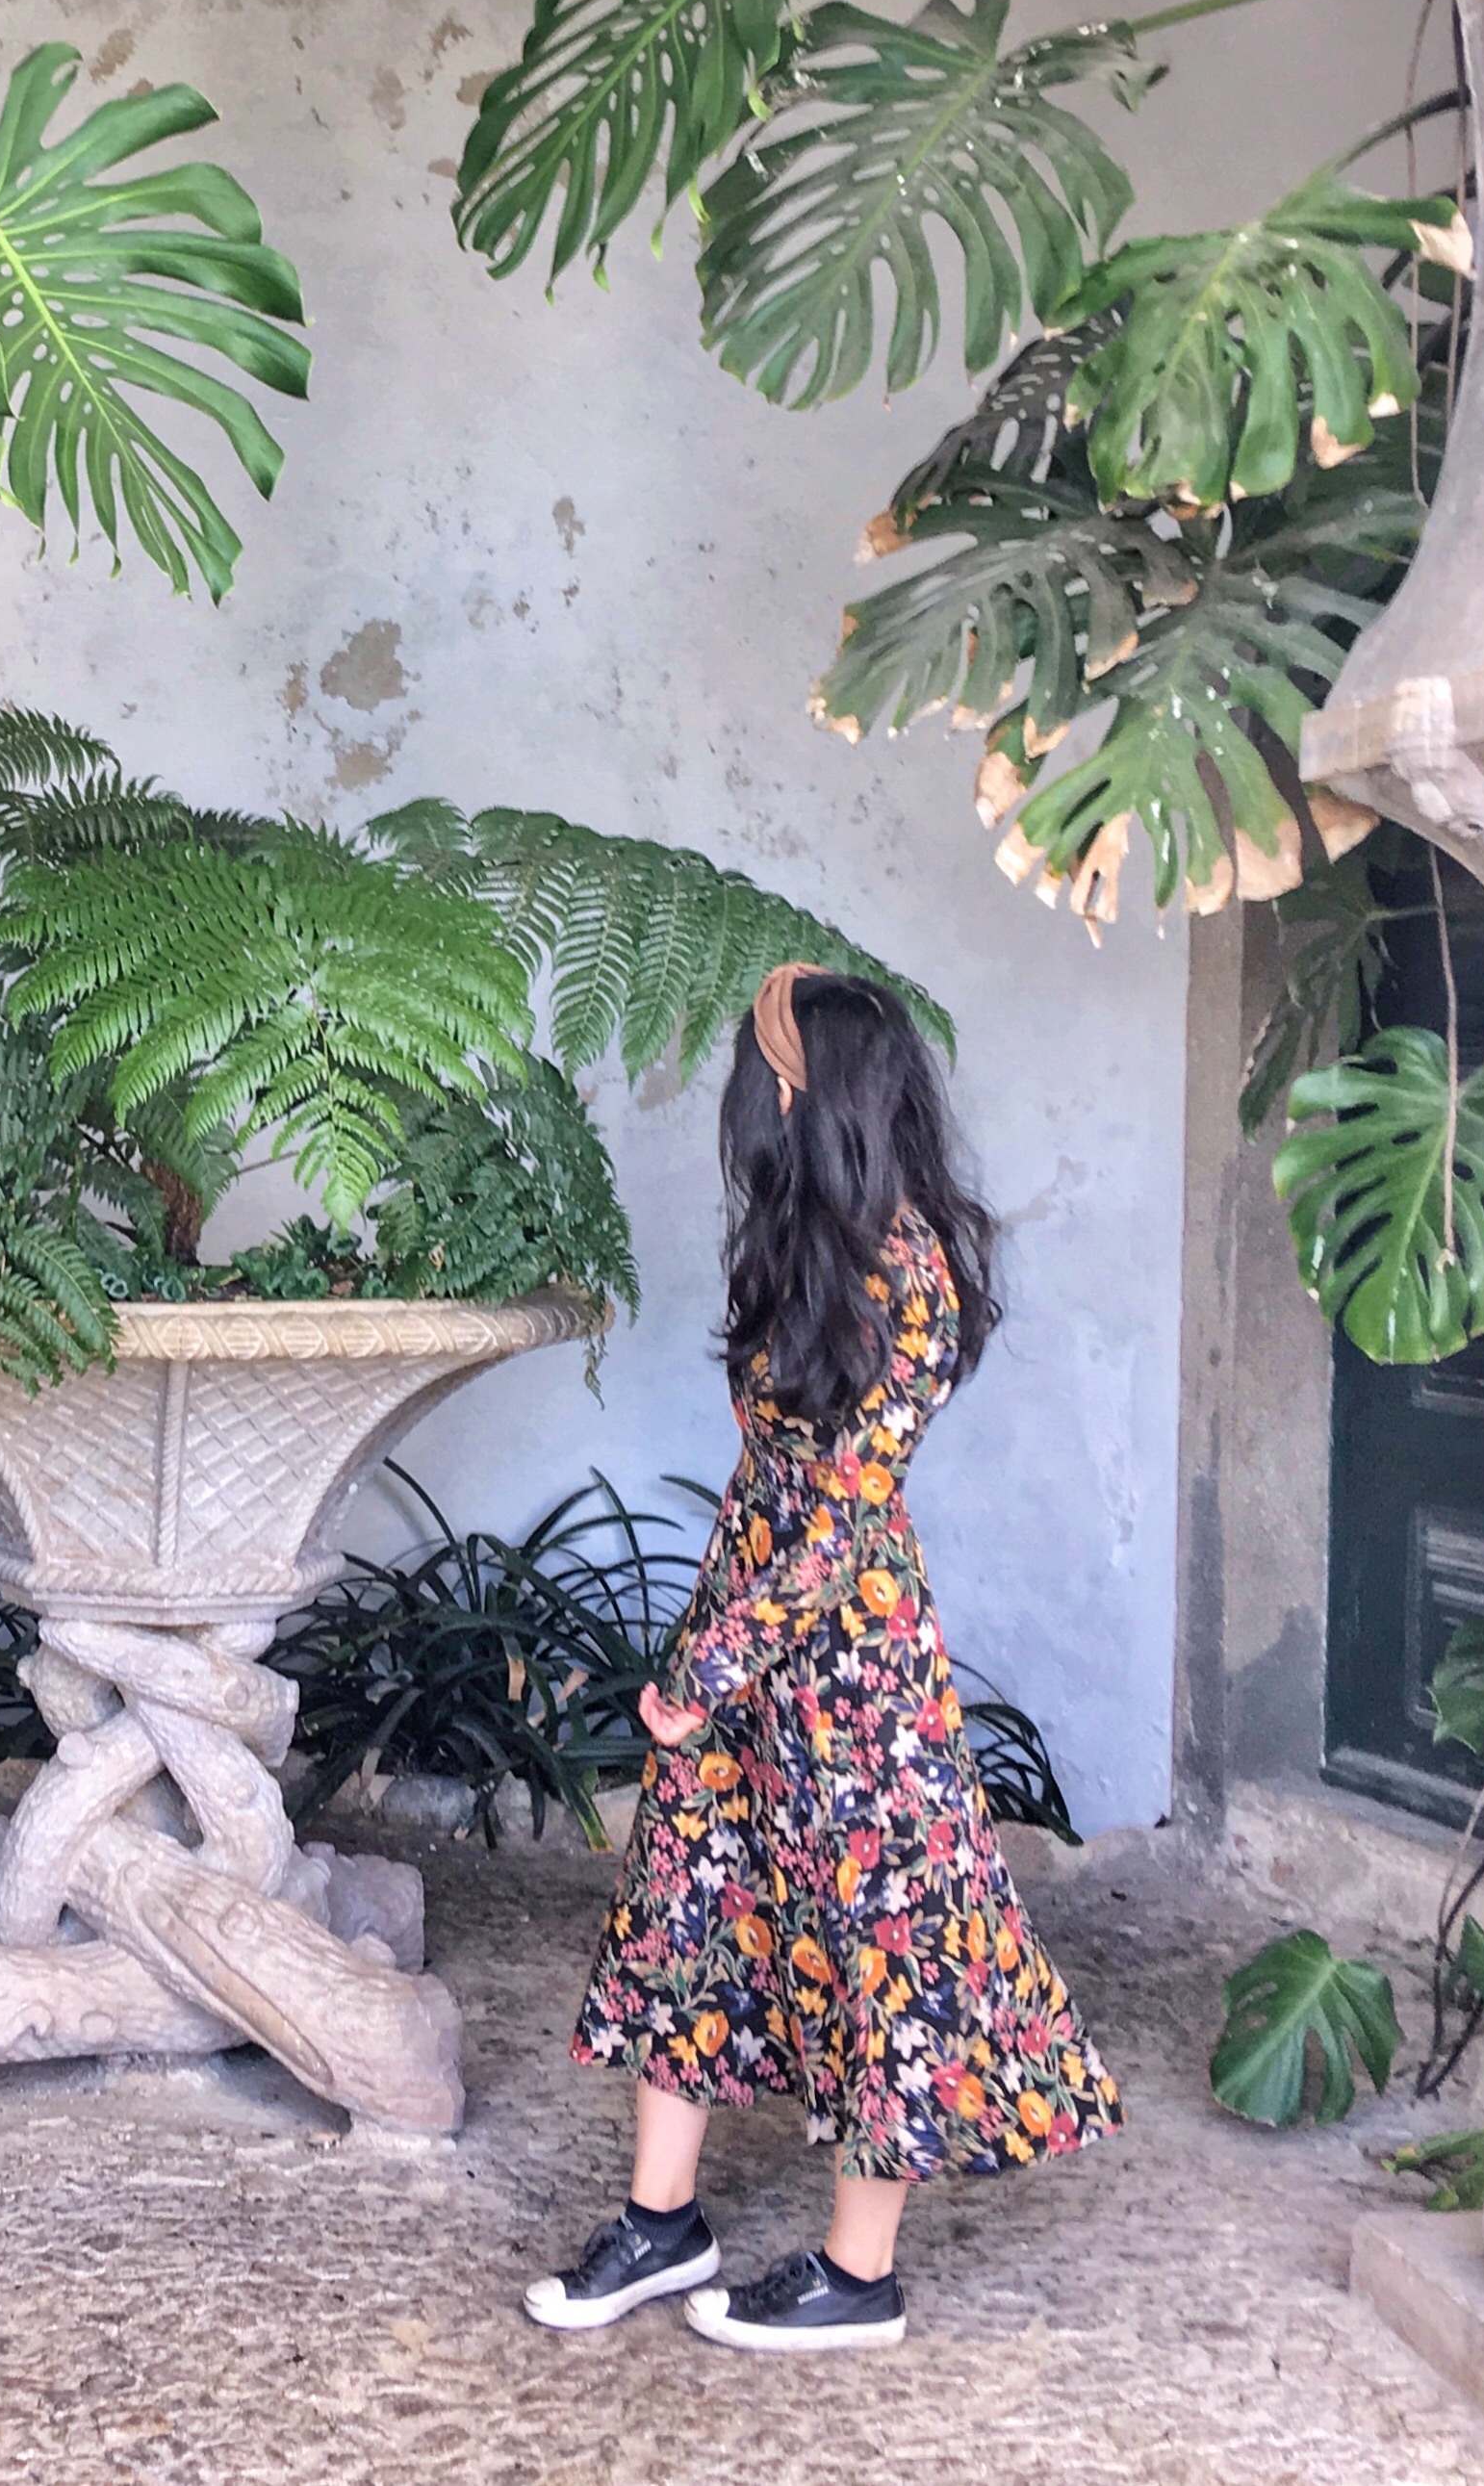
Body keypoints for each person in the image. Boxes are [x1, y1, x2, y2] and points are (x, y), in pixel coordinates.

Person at [524, 963, 1122, 2356]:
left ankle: (862, 2275)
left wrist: (703, 1672)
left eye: (758, 1069)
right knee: (684, 1908)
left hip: (852, 1665)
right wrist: (706, 1644)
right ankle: (663, 2223)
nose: (742, 1092)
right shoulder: (802, 1242)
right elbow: (771, 1483)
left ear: (801, 1092)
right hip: (750, 1628)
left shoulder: (906, 1268)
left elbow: (845, 1522)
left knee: (885, 1943)